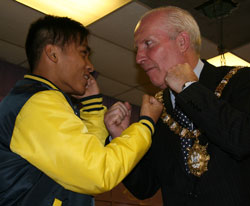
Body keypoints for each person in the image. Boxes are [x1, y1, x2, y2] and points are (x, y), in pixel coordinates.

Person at [0, 15, 163, 206]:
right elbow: (98, 172)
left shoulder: (35, 101)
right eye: (83, 53)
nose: (90, 65)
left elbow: (82, 161)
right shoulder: (38, 103)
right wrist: (146, 124)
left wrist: (93, 106)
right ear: (52, 54)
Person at [123, 6, 250, 206]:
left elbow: (243, 140)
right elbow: (144, 187)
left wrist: (189, 89)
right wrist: (122, 138)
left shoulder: (240, 81)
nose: (139, 58)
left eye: (148, 43)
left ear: (182, 42)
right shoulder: (156, 110)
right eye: (137, 49)